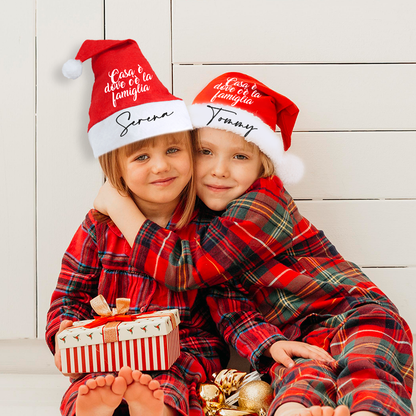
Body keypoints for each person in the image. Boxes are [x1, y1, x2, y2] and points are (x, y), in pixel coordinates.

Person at [94, 73, 414, 416]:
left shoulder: (262, 204)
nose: (219, 170)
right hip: (295, 334)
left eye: (239, 157)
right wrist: (269, 343)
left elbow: (185, 268)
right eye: (205, 152)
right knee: (297, 381)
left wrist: (118, 205)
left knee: (367, 368)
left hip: (352, 313)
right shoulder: (200, 222)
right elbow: (227, 303)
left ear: (263, 165)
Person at [45, 39, 230, 416]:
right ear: (117, 170)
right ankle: (96, 407)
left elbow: (228, 302)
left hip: (186, 344)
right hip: (107, 343)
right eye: (142, 156)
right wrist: (65, 333)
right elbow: (69, 295)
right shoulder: (99, 228)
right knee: (92, 380)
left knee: (177, 379)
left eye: (173, 150)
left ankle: (155, 408)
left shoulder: (207, 225)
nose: (161, 166)